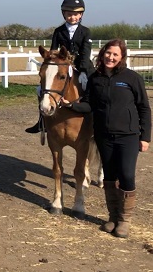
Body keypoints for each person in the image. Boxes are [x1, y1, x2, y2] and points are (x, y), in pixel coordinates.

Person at [66, 39, 150, 238]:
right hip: (104, 136)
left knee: (127, 175)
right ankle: (112, 217)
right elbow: (88, 105)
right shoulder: (96, 79)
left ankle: (124, 220)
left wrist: (145, 136)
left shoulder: (132, 78)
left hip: (128, 136)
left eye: (115, 55)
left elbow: (144, 108)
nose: (110, 57)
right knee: (110, 177)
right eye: (108, 53)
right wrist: (69, 104)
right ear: (103, 53)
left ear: (122, 57)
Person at [26, 0, 95, 133]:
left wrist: (82, 71)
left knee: (94, 86)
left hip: (81, 65)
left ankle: (95, 120)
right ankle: (42, 121)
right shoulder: (58, 31)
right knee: (40, 90)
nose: (72, 17)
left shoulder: (86, 32)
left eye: (76, 15)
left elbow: (86, 53)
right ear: (64, 14)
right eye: (69, 14)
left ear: (81, 15)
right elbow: (53, 50)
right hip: (62, 65)